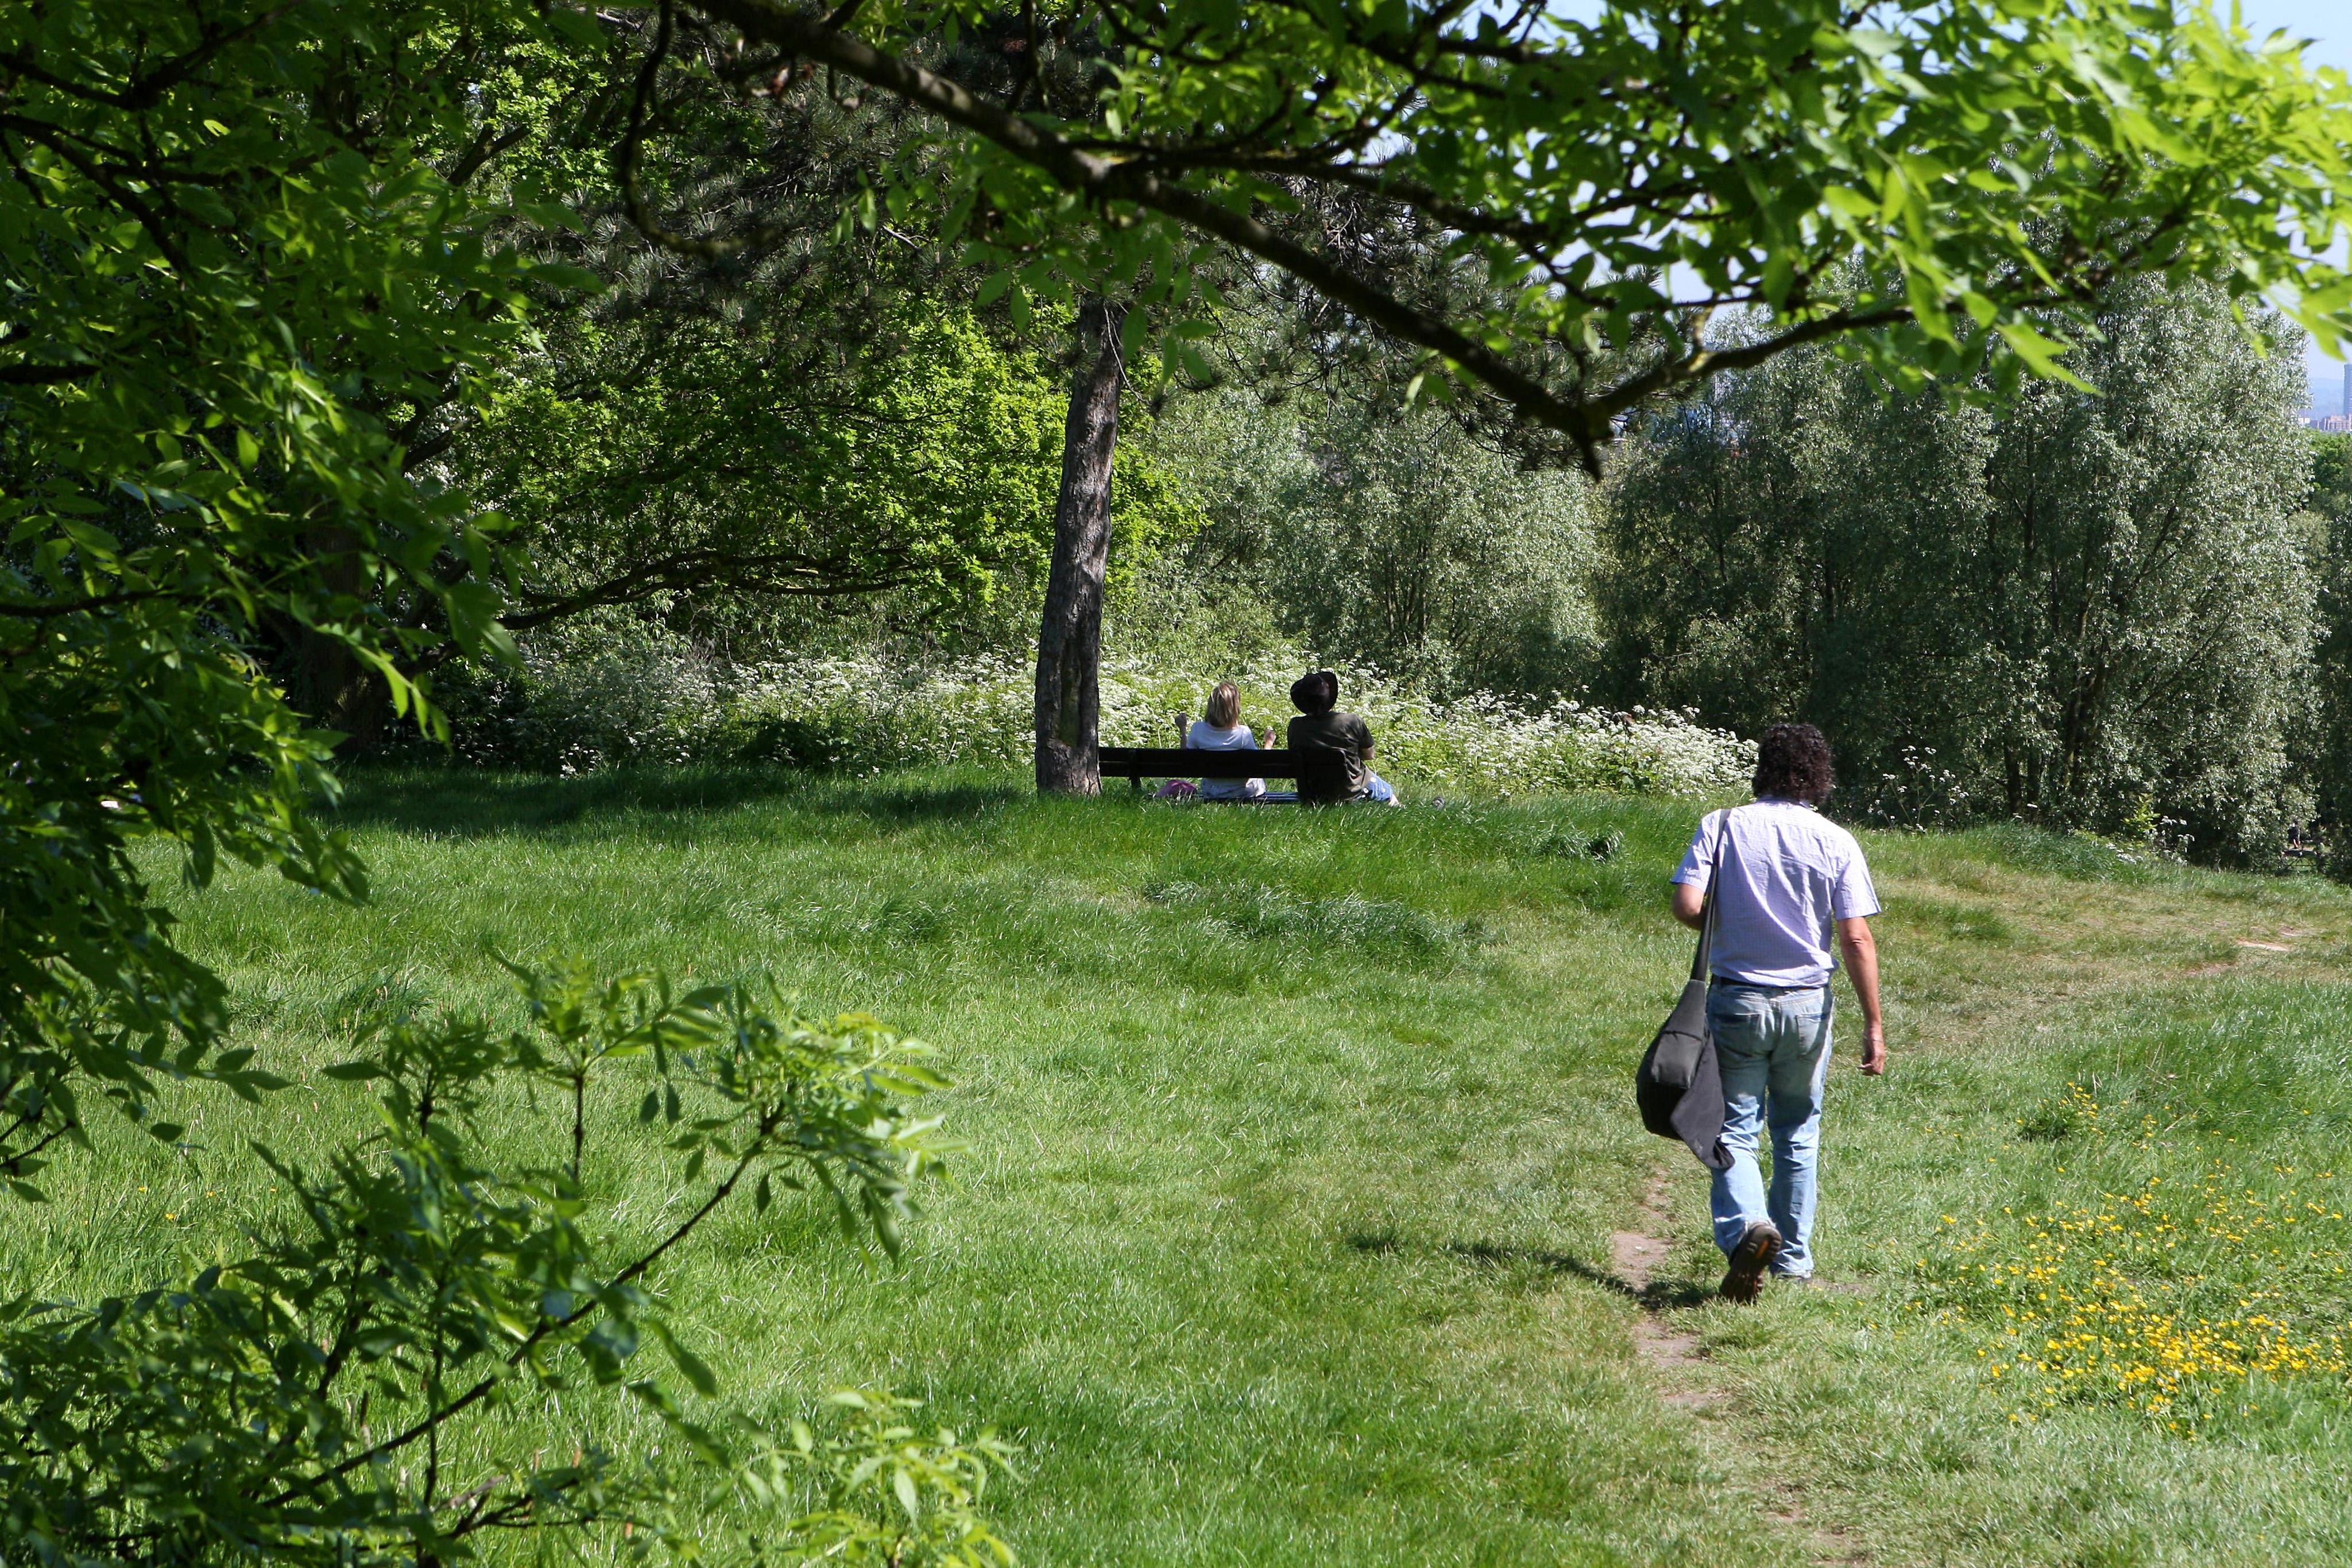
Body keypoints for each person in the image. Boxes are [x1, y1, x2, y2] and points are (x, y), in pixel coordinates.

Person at [1668, 722, 1882, 1302]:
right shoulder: (1836, 840)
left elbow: (1687, 903)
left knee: (1732, 1124)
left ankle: (1746, 1228)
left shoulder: (1723, 825)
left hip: (1736, 997)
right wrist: (1874, 1025)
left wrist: (1725, 922)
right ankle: (1792, 1260)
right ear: (1817, 776)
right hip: (1807, 1004)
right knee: (1798, 1130)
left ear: (1762, 768)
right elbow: (1856, 938)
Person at [1286, 670, 1398, 805]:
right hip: (1351, 790)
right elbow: (1370, 755)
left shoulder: (1296, 726)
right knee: (1389, 794)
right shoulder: (1352, 721)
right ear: (1330, 698)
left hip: (1312, 792)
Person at [1187, 682, 1265, 800]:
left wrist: (1183, 730)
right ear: (1235, 707)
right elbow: (1258, 766)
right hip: (1244, 791)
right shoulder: (1244, 733)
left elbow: (1186, 760)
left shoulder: (1198, 729)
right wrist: (1269, 743)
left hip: (1212, 790)